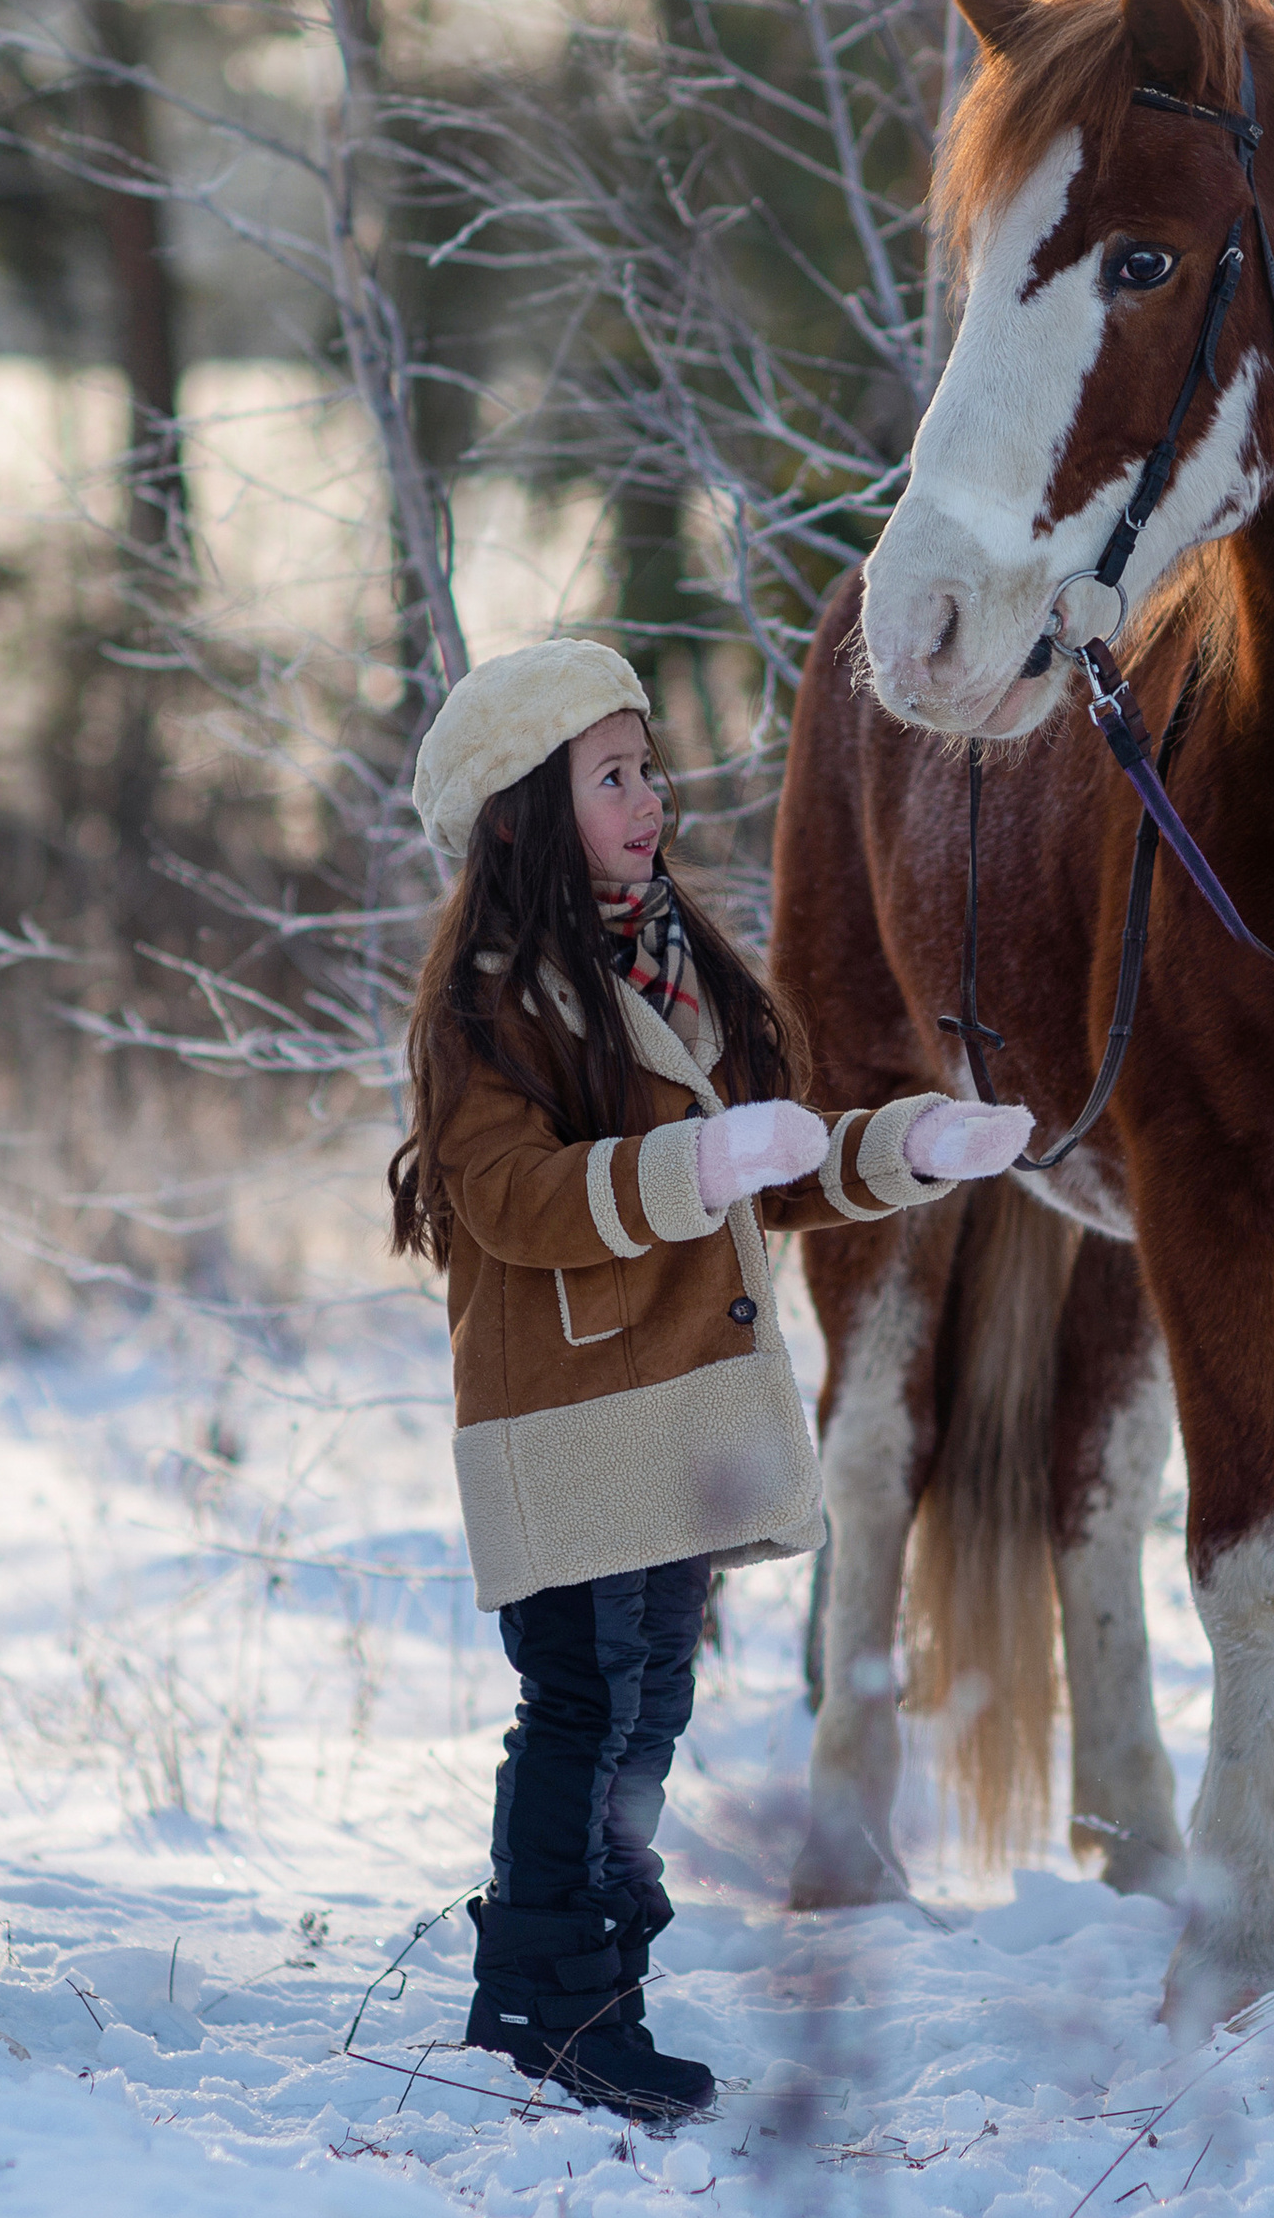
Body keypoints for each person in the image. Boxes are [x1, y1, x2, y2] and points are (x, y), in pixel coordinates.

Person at [390, 639, 1029, 2119]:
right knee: (584, 1707)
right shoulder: (491, 1006)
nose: (649, 799)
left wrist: (910, 1145)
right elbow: (512, 1200)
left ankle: (596, 1987)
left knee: (649, 1707)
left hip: (677, 1423)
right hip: (570, 1424)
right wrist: (698, 1159)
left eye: (648, 768)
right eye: (611, 776)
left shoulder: (672, 971)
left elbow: (767, 1172)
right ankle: (549, 1998)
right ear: (523, 815)